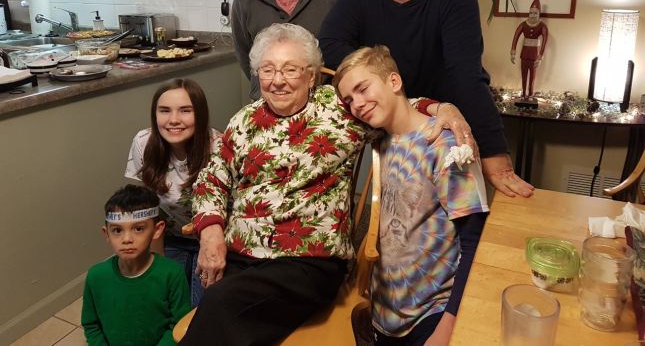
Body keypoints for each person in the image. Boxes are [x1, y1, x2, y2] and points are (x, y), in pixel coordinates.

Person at [179, 23, 460, 345]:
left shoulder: (339, 108)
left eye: (290, 69)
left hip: (308, 260)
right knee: (222, 309)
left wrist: (440, 108)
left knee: (220, 304)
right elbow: (212, 177)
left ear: (311, 76)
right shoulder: (244, 120)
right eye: (267, 70)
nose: (277, 80)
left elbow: (394, 104)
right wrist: (211, 232)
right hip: (242, 254)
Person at [319, 0, 534, 198]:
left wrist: (494, 154)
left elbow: (466, 76)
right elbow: (329, 45)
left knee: (458, 211)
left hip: (438, 126)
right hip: (387, 122)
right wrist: (381, 83)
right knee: (397, 213)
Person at [333, 46, 488, 345]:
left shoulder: (445, 145)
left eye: (363, 89)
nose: (358, 104)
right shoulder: (380, 137)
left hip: (433, 313)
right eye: (349, 100)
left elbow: (474, 239)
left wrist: (449, 324)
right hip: (385, 312)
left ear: (394, 81)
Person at [125, 78, 222, 306]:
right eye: (164, 110)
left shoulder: (218, 146)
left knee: (201, 309)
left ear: (200, 114)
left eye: (185, 110)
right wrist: (153, 259)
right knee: (165, 301)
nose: (174, 120)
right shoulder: (143, 142)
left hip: (211, 241)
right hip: (170, 238)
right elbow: (146, 205)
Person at [82, 184, 191, 346]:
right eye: (117, 230)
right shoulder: (96, 277)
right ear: (107, 234)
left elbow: (179, 326)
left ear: (157, 230)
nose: (127, 239)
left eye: (138, 229)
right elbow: (91, 325)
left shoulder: (172, 274)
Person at [510, 0, 549, 98]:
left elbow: (544, 41)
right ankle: (523, 92)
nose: (532, 15)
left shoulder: (542, 26)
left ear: (539, 14)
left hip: (534, 55)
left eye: (535, 13)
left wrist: (540, 57)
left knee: (532, 77)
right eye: (531, 13)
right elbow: (515, 37)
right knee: (523, 75)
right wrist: (513, 52)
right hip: (524, 54)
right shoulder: (523, 25)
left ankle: (530, 93)